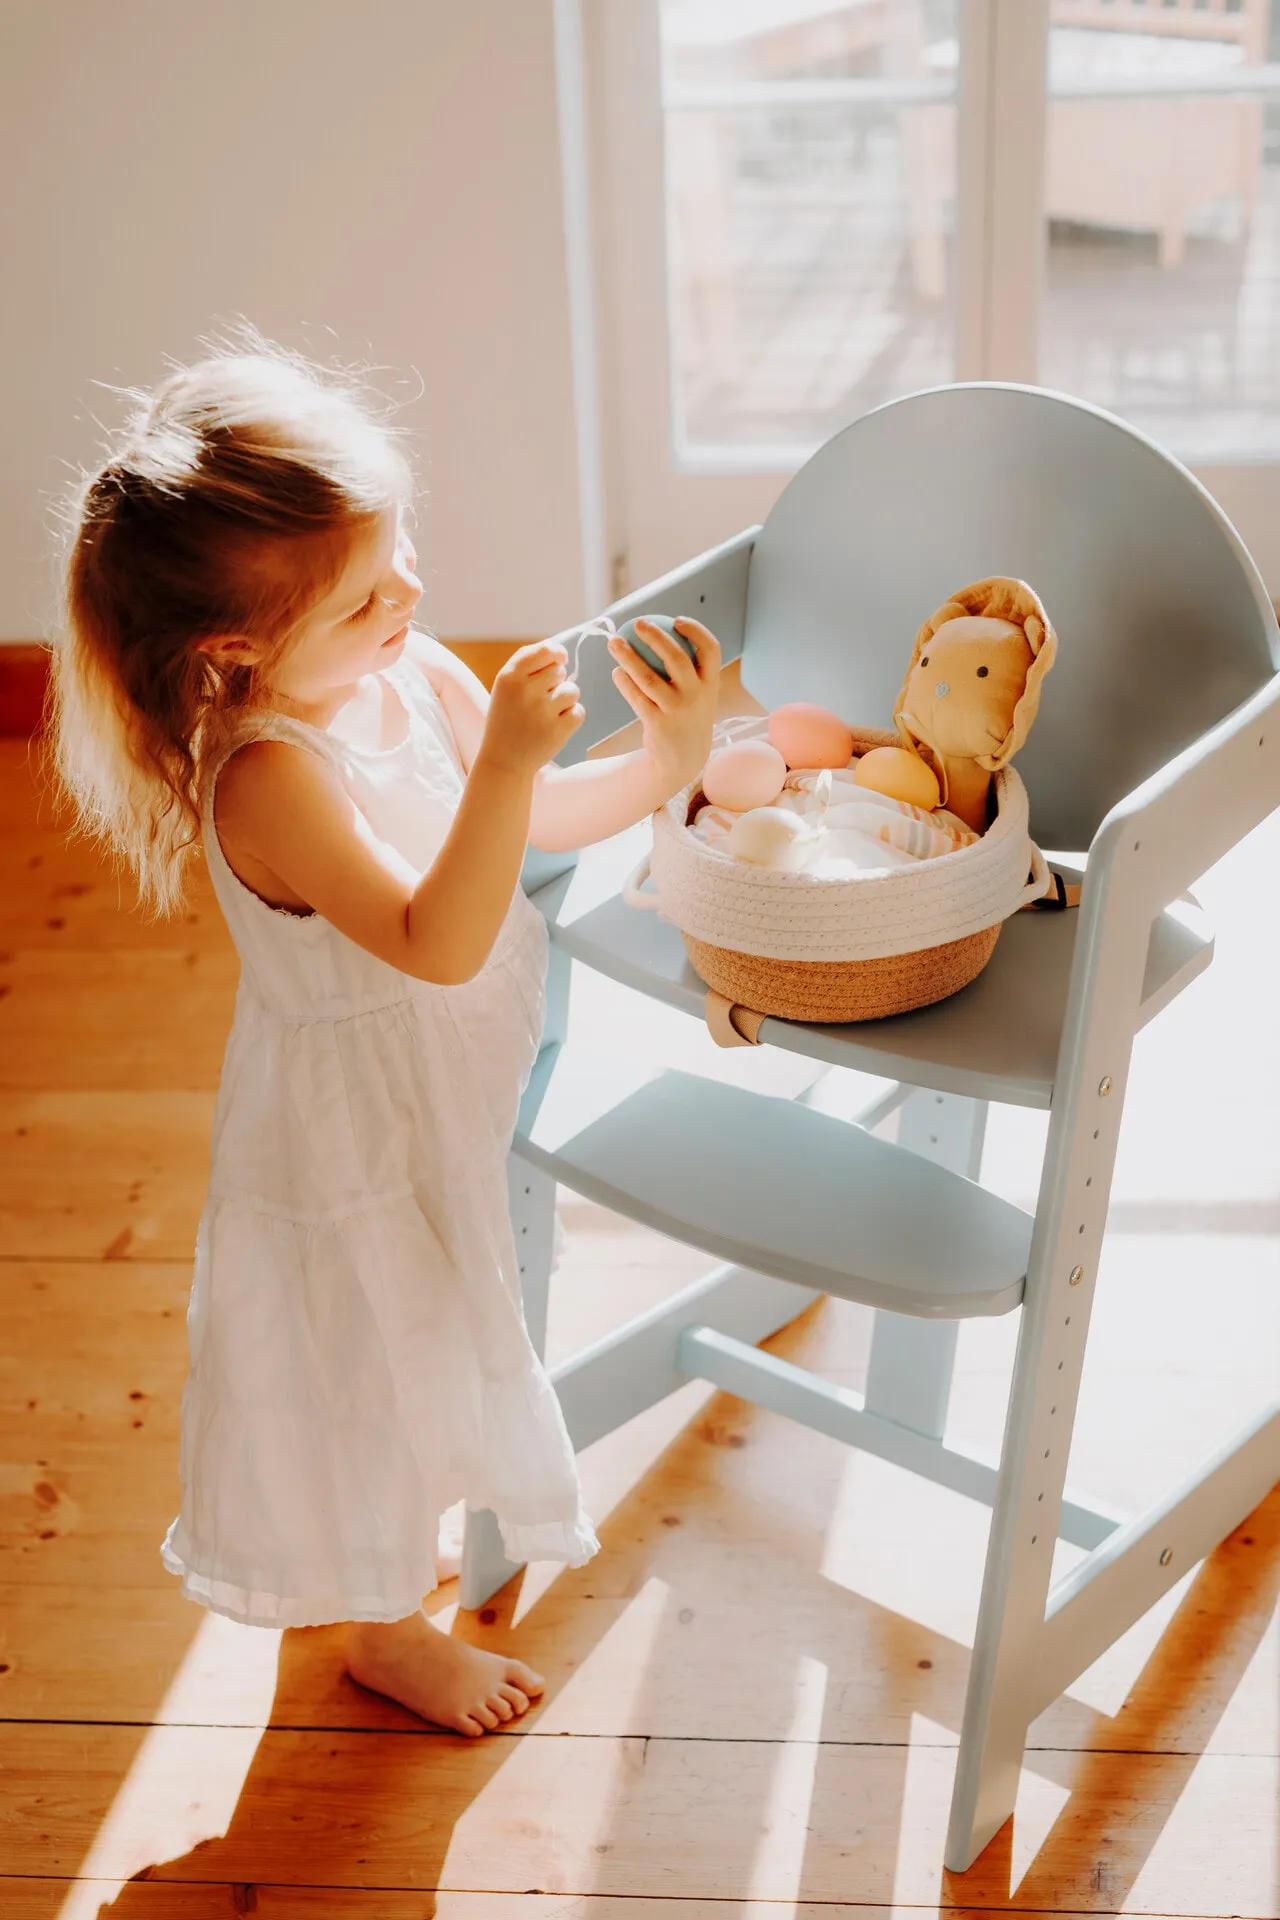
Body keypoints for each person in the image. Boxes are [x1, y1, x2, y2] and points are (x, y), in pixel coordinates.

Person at [53, 338, 720, 1735]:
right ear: (238, 649)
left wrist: (663, 764)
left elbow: (532, 826)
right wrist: (505, 763)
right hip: (342, 1135)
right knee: (357, 1371)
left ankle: (396, 1562)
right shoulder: (270, 782)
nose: (407, 590)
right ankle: (379, 1634)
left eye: (398, 542)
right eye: (364, 597)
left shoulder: (409, 680)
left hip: (444, 1087)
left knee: (433, 1333)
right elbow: (437, 934)